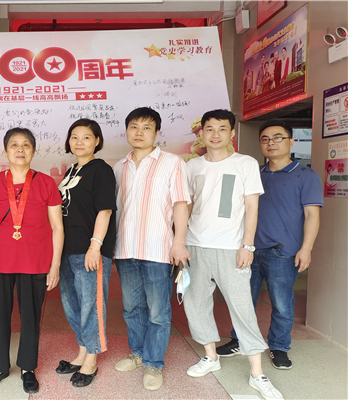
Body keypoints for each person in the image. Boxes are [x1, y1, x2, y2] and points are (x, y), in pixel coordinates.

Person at [183, 109, 283, 400]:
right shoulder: (192, 166)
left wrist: (247, 245)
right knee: (196, 302)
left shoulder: (245, 163)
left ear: (232, 133)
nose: (215, 134)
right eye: (209, 129)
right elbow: (187, 206)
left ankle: (257, 373)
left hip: (231, 247)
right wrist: (179, 242)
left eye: (222, 129)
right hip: (195, 245)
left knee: (242, 307)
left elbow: (252, 207)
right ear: (201, 133)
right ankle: (210, 356)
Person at [216, 119, 322, 370]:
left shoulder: (306, 175)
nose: (270, 143)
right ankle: (239, 340)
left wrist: (306, 248)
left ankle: (279, 346)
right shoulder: (253, 172)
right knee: (242, 300)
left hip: (283, 252)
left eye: (277, 138)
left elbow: (312, 215)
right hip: (248, 249)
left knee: (282, 303)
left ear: (291, 142)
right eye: (265, 139)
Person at [0, 127, 64, 394]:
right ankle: (0, 366)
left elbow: (57, 227)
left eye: (26, 145)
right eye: (14, 145)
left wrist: (55, 266)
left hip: (35, 261)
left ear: (33, 151)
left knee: (31, 316)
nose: (20, 149)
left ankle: (28, 367)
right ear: (5, 151)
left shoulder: (46, 183)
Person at [113, 107, 191, 391]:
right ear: (126, 130)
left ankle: (154, 363)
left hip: (158, 249)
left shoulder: (172, 162)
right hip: (125, 248)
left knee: (158, 311)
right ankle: (138, 353)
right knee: (131, 308)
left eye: (147, 127)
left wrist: (178, 242)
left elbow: (181, 203)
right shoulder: (119, 167)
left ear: (157, 132)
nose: (139, 132)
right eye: (134, 126)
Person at [56, 119, 116, 387]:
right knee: (73, 304)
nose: (79, 142)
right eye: (74, 137)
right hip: (67, 250)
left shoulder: (101, 169)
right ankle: (81, 352)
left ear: (97, 141)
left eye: (86, 137)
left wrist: (95, 246)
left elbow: (105, 210)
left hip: (89, 250)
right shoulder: (71, 170)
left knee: (92, 305)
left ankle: (91, 359)